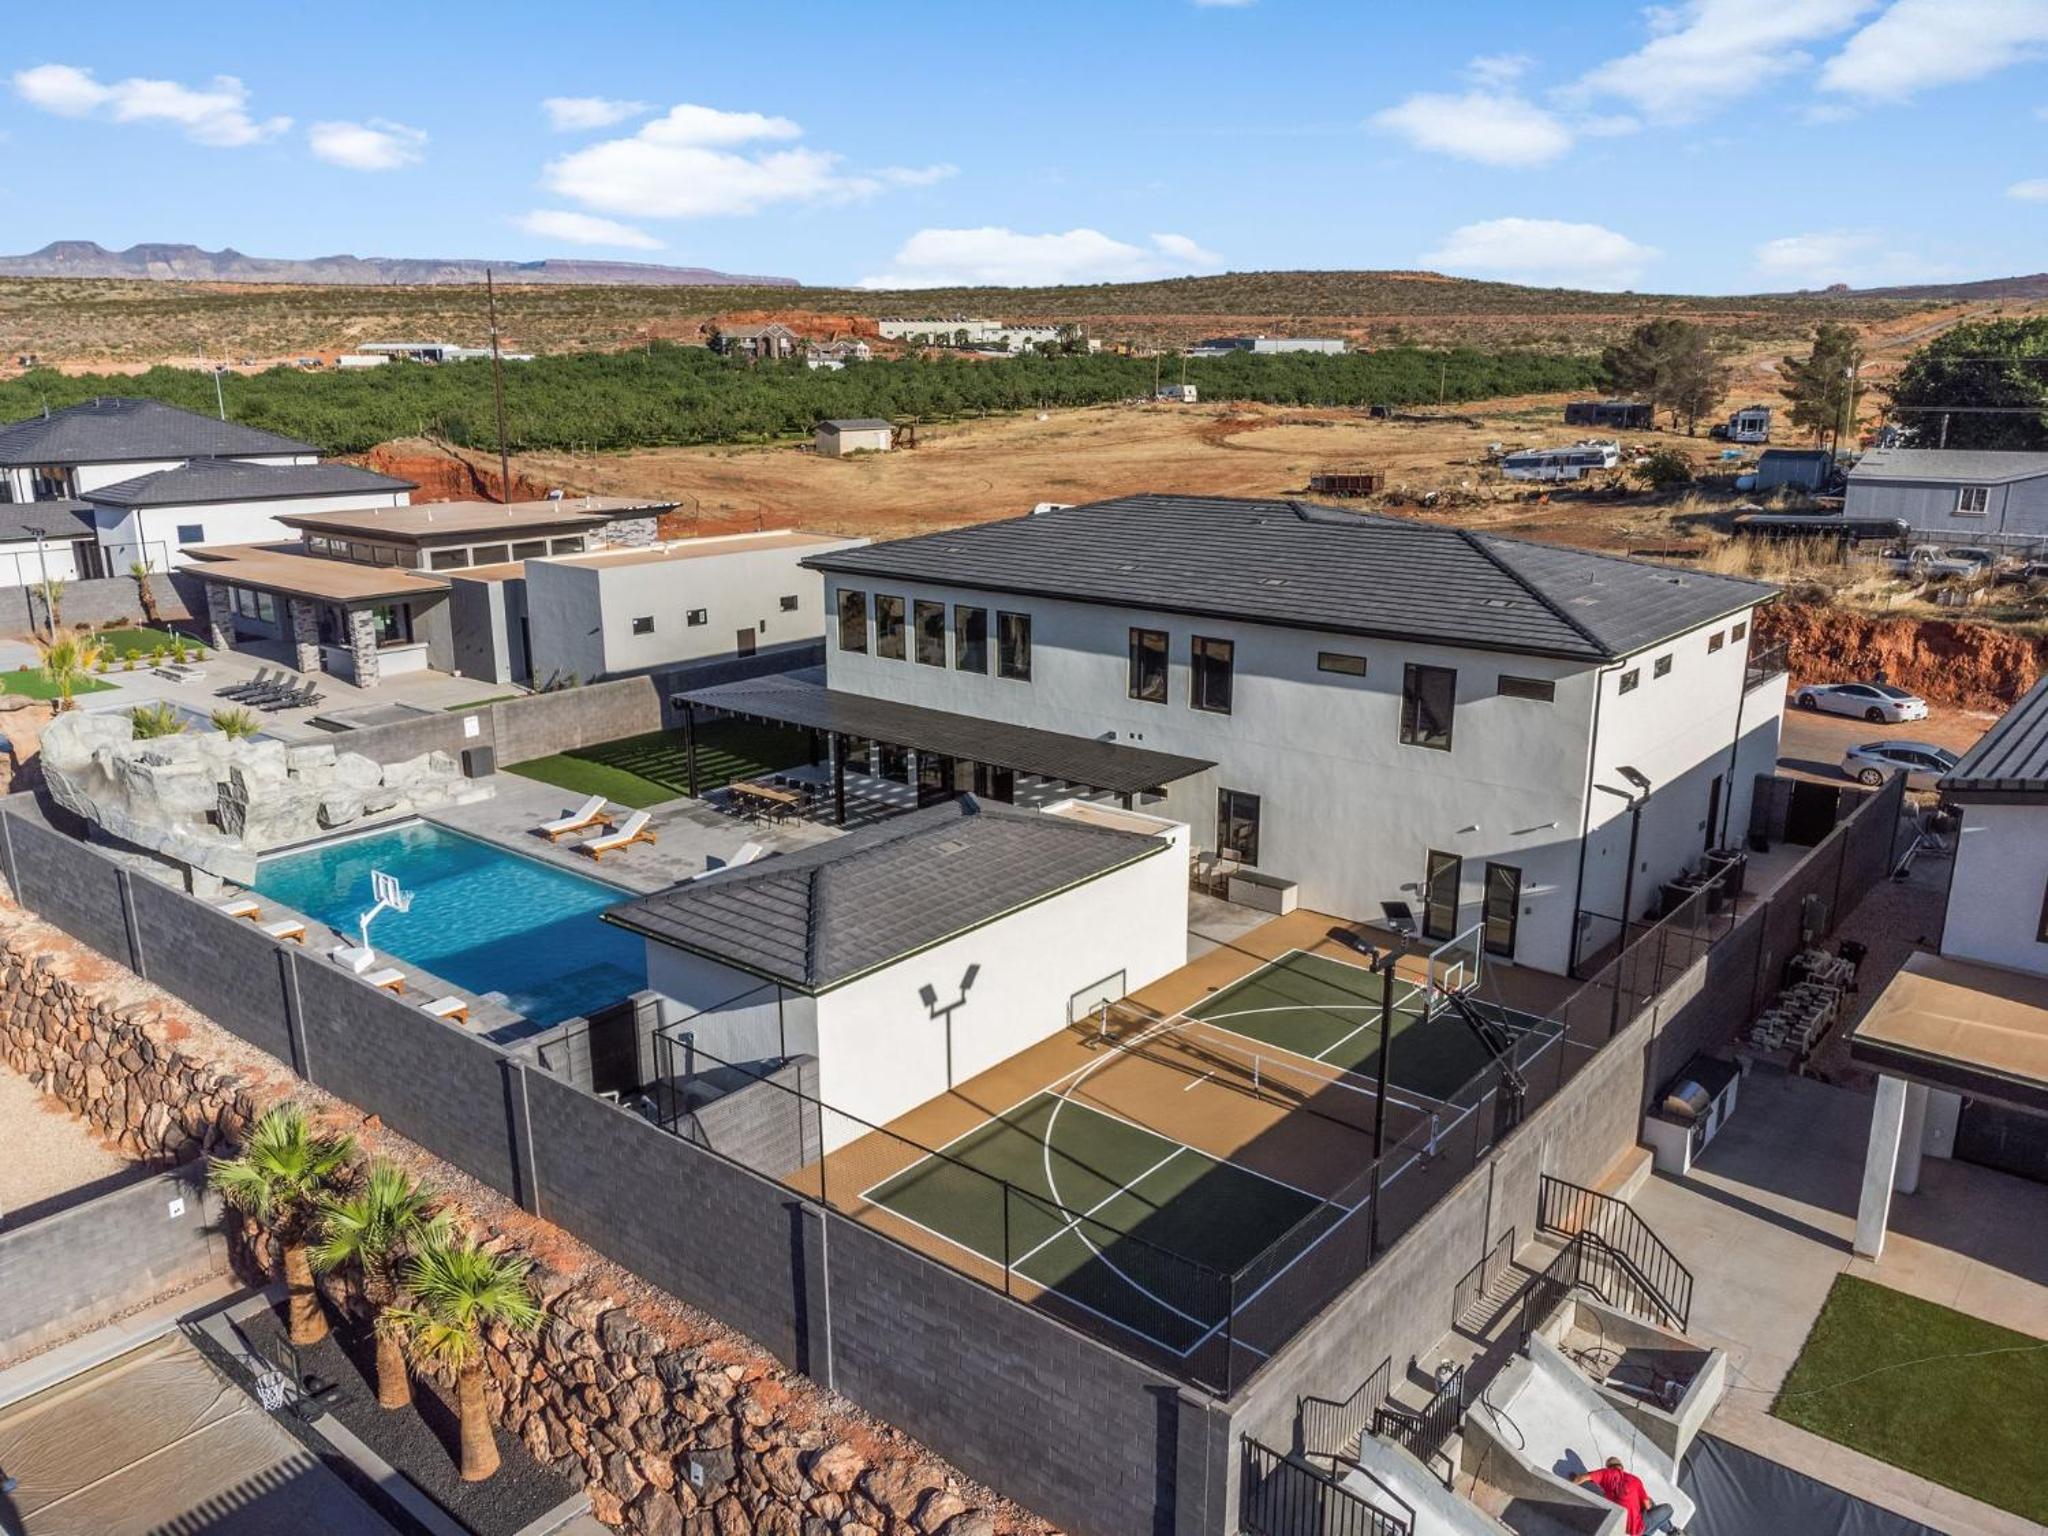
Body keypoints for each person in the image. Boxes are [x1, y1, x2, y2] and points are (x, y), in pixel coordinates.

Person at [1575, 1457, 1677, 1535]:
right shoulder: (1634, 1480)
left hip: (1622, 1526)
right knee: (1668, 1509)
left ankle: (1671, 1531)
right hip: (1637, 1528)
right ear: (1621, 1467)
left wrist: (1568, 1485)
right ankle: (1671, 1531)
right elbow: (1647, 1505)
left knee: (1650, 1503)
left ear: (1608, 1468)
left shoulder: (1605, 1474)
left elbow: (1583, 1477)